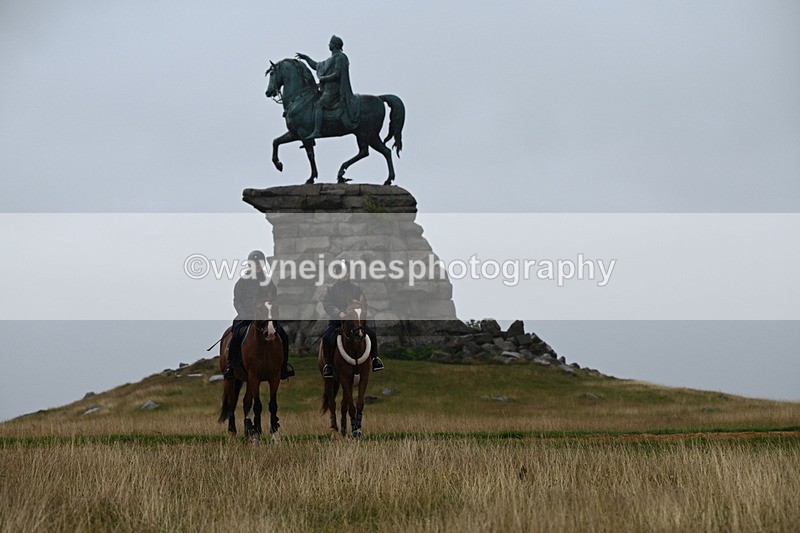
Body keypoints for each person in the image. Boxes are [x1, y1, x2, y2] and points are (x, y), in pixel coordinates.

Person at [223, 250, 294, 380]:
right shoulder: (242, 282)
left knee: (283, 335)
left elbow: (273, 299)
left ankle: (283, 367)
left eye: (260, 264)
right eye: (255, 264)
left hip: (265, 317)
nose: (257, 266)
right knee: (236, 334)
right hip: (246, 317)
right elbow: (237, 301)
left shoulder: (268, 282)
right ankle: (231, 365)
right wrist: (245, 314)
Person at [321, 261, 384, 379]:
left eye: (345, 272)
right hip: (337, 322)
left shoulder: (356, 289)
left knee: (372, 334)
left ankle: (375, 359)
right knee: (326, 337)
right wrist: (338, 312)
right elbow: (327, 304)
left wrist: (359, 309)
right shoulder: (331, 289)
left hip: (355, 323)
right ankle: (328, 365)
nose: (343, 274)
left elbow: (364, 303)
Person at [295, 35, 359, 140]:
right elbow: (316, 66)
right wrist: (306, 58)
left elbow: (337, 74)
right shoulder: (330, 60)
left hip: (335, 90)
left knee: (319, 104)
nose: (328, 44)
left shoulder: (340, 57)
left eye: (330, 42)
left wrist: (324, 79)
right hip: (328, 89)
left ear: (334, 45)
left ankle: (317, 131)